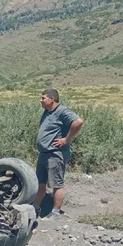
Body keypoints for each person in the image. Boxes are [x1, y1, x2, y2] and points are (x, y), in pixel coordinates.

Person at [33, 88, 84, 218]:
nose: (41, 100)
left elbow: (78, 122)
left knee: (56, 184)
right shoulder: (47, 112)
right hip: (44, 153)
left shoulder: (62, 111)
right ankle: (35, 208)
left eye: (43, 98)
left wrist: (66, 139)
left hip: (55, 154)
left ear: (52, 99)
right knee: (40, 183)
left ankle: (55, 212)